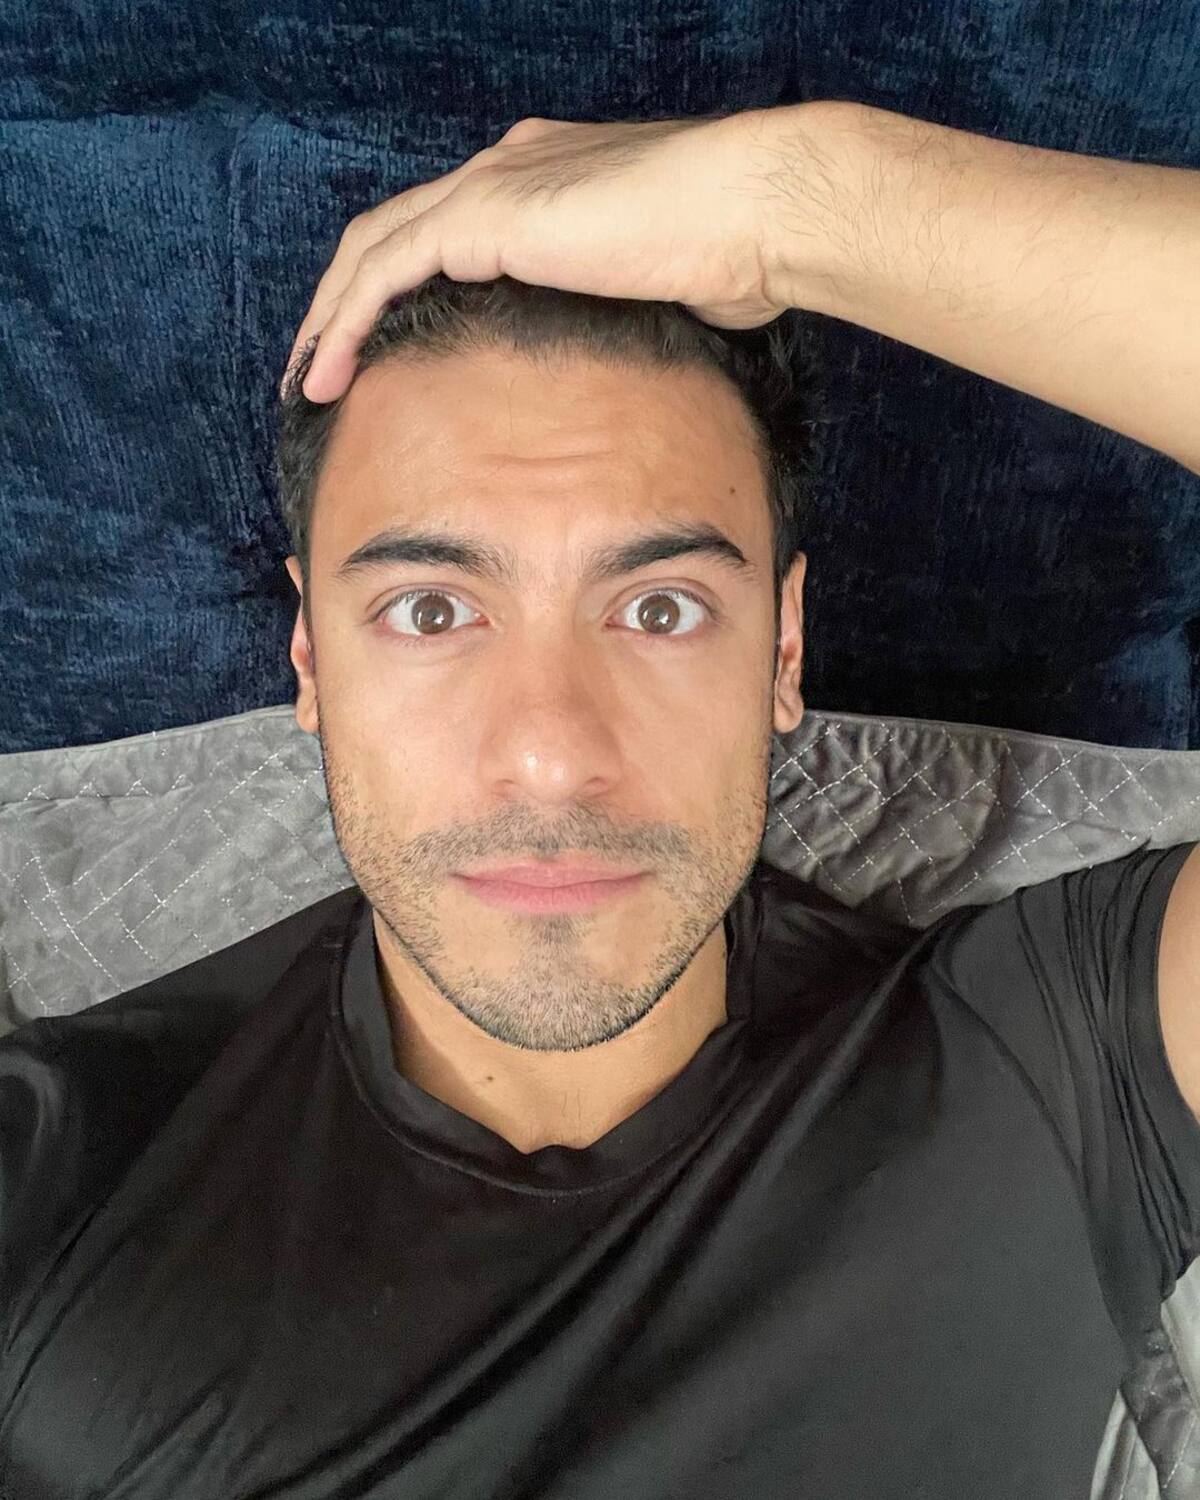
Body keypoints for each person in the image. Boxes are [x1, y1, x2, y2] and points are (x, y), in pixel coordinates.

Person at [1, 98, 1198, 1499]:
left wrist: (796, 199)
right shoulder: (61, 1172)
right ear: (311, 659)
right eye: (432, 611)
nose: (551, 755)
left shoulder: (1054, 1069)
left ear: (785, 650)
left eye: (661, 608)